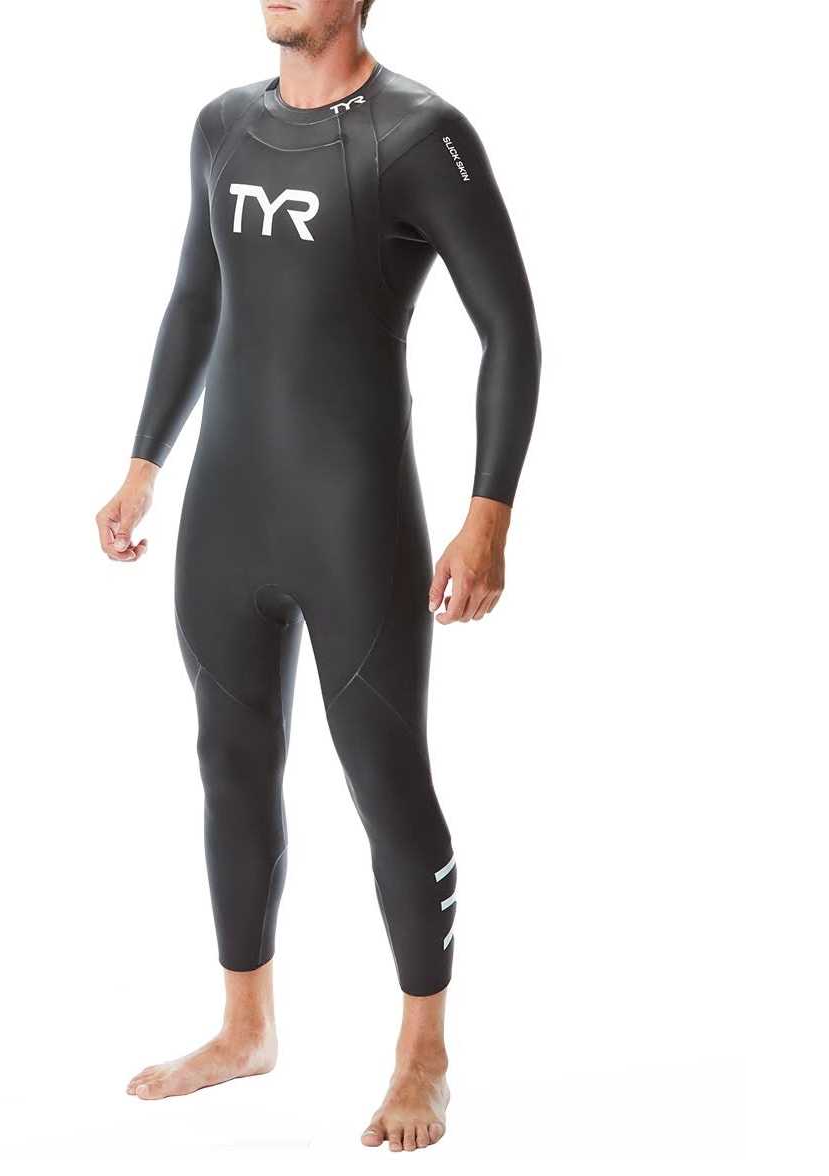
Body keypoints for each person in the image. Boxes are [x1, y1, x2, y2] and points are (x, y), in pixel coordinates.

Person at [96, 0, 539, 1151]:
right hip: (225, 511)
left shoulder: (419, 133)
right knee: (230, 762)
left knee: (386, 777)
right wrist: (143, 465)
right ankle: (245, 1029)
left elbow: (511, 329)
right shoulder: (222, 126)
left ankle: (423, 1054)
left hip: (352, 516)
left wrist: (487, 516)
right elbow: (197, 297)